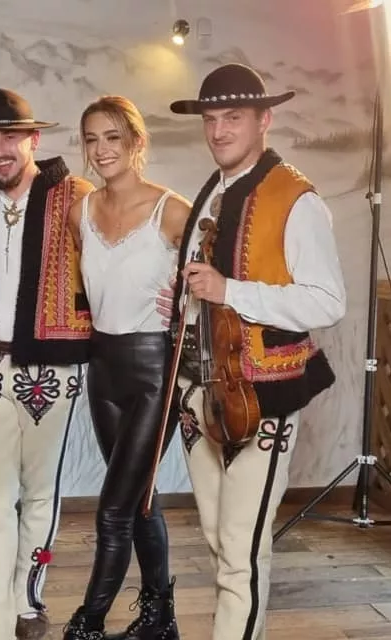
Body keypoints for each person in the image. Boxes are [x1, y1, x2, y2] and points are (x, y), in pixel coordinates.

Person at [164, 63, 346, 639]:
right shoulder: (211, 192)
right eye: (211, 119)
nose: (218, 131)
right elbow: (207, 290)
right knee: (220, 540)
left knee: (240, 549)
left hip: (263, 392)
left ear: (264, 119)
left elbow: (327, 302)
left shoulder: (296, 199)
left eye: (233, 117)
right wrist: (183, 298)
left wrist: (229, 291)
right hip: (202, 390)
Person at [0, 88, 95, 640]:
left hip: (51, 368)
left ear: (34, 139)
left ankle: (28, 601)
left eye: (9, 138)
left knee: (39, 491)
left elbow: (107, 263)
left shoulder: (76, 196)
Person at [61, 96, 189, 640]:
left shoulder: (172, 211)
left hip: (154, 370)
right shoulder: (81, 212)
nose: (101, 149)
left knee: (113, 510)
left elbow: (216, 283)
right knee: (138, 502)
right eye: (92, 139)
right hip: (103, 368)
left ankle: (86, 625)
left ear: (136, 142)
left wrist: (187, 303)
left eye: (112, 137)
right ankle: (160, 618)